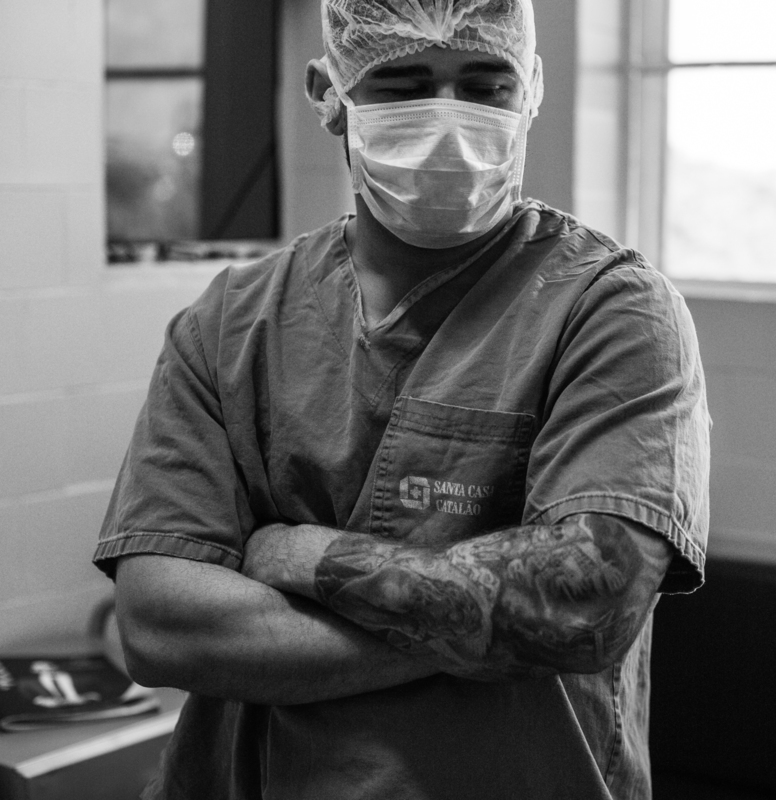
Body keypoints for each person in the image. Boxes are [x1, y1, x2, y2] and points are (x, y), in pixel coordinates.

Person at [93, 1, 709, 798]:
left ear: (531, 91)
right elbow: (160, 627)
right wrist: (483, 623)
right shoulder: (230, 323)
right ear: (330, 95)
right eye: (404, 84)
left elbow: (582, 603)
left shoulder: (611, 310)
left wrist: (297, 555)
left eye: (485, 86)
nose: (449, 123)